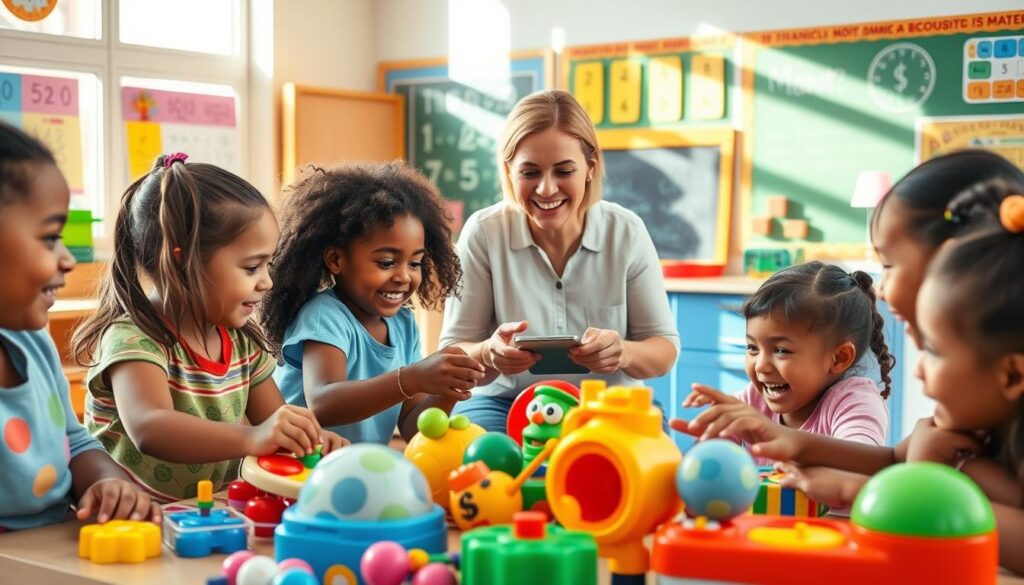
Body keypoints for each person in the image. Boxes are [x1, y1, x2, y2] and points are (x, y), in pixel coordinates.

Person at [72, 154, 344, 503]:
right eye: (250, 268)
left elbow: (275, 423)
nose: (267, 282)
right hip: (135, 517)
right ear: (181, 261)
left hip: (207, 512)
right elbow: (150, 426)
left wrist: (310, 440)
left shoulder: (242, 343)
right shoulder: (133, 339)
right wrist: (253, 437)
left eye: (267, 264)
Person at [439, 89, 679, 432]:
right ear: (508, 171)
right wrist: (489, 354)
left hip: (607, 405)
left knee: (644, 474)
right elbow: (453, 351)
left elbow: (663, 350)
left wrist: (622, 353)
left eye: (563, 171)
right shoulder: (484, 232)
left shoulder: (626, 232)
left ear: (590, 168)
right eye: (530, 173)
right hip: (504, 404)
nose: (546, 189)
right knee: (485, 466)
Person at [0, 120, 160, 530]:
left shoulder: (32, 341)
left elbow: (72, 440)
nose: (68, 259)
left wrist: (107, 481)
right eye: (50, 237)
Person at [262, 162, 484, 444]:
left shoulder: (403, 325)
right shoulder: (324, 315)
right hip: (300, 469)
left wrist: (447, 392)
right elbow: (324, 403)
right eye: (387, 262)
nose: (404, 276)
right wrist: (412, 378)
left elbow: (411, 427)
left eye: (415, 262)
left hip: (357, 470)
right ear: (336, 260)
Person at [677, 262, 893, 466]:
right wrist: (708, 445)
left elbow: (863, 462)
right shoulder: (752, 401)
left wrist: (782, 437)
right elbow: (711, 468)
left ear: (839, 358)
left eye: (781, 350)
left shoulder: (854, 401)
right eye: (752, 348)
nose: (761, 366)